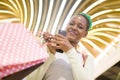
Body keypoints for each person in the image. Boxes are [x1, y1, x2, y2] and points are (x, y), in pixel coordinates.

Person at [25, 13, 94, 80]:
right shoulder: (48, 49)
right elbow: (31, 78)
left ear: (85, 34)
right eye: (71, 24)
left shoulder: (86, 59)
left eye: (80, 27)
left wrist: (70, 50)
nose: (74, 27)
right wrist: (50, 54)